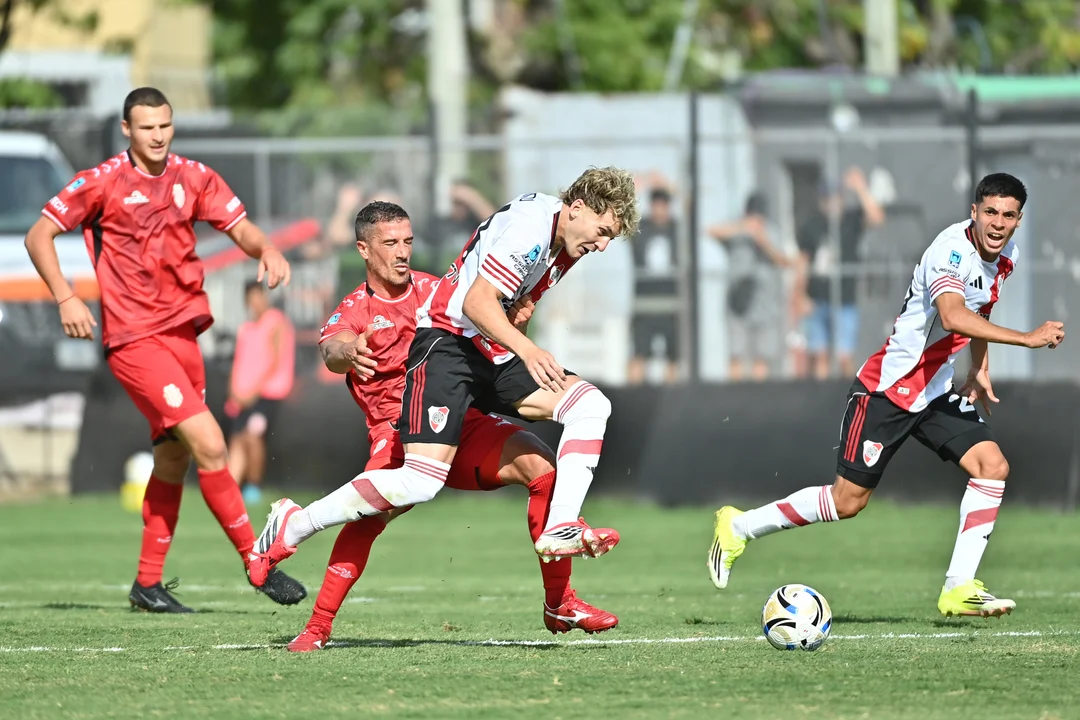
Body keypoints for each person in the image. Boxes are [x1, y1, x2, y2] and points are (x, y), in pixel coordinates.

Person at [246, 166, 640, 583]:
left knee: (590, 406)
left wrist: (520, 325)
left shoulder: (567, 242)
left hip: (485, 349)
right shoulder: (532, 228)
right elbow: (476, 303)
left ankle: (561, 525)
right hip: (448, 347)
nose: (602, 245)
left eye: (610, 238)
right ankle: (295, 525)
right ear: (577, 208)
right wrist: (527, 349)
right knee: (420, 483)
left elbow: (513, 307)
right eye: (602, 231)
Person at [708, 173, 1065, 618]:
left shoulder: (1006, 255)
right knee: (847, 502)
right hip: (887, 390)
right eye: (989, 212)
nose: (997, 223)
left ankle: (958, 587)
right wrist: (1027, 339)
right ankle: (739, 526)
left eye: (1008, 216)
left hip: (934, 391)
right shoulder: (949, 251)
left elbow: (981, 308)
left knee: (992, 466)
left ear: (1019, 220)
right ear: (974, 212)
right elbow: (953, 316)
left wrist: (980, 367)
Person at [287, 201, 618, 651]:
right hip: (396, 428)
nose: (402, 251)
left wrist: (516, 317)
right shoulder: (355, 307)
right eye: (390, 243)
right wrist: (347, 352)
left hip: (459, 409)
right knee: (375, 514)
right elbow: (332, 350)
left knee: (541, 468)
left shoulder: (433, 288)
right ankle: (316, 621)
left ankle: (560, 600)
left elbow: (484, 318)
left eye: (407, 241)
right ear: (363, 249)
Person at [23, 87, 307, 612]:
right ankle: (258, 561)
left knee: (173, 459)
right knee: (211, 443)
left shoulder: (193, 177)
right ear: (127, 130)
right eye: (146, 127)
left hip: (183, 336)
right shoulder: (102, 181)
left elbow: (239, 227)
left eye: (165, 125)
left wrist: (266, 247)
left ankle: (147, 585)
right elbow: (39, 235)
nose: (157, 136)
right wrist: (66, 297)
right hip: (134, 339)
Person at [795, 166, 885, 379]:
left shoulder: (852, 220)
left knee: (844, 355)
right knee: (820, 353)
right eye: (827, 198)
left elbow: (877, 218)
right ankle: (820, 395)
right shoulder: (812, 225)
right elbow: (802, 262)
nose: (832, 203)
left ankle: (845, 395)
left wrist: (861, 188)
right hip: (818, 297)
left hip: (845, 298)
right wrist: (800, 295)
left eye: (836, 197)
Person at [225, 280, 296, 505]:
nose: (255, 302)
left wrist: (253, 391)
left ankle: (253, 487)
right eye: (251, 298)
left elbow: (275, 359)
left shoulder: (276, 321)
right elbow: (238, 362)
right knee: (237, 441)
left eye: (258, 296)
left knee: (253, 435)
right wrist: (234, 391)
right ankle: (229, 490)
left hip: (266, 394)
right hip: (242, 396)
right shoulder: (246, 328)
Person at [709, 192, 790, 381]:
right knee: (736, 353)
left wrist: (764, 241)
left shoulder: (772, 233)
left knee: (761, 356)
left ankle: (758, 396)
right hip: (737, 304)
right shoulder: (737, 230)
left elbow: (784, 261)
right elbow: (710, 230)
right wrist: (742, 228)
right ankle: (735, 395)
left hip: (766, 305)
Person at [628, 176, 680, 385]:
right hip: (644, 302)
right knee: (639, 353)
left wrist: (666, 183)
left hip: (672, 303)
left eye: (664, 204)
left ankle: (672, 399)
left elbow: (692, 206)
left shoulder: (677, 229)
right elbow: (622, 213)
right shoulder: (641, 228)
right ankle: (634, 396)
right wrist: (644, 185)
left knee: (673, 356)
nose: (660, 209)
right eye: (656, 204)